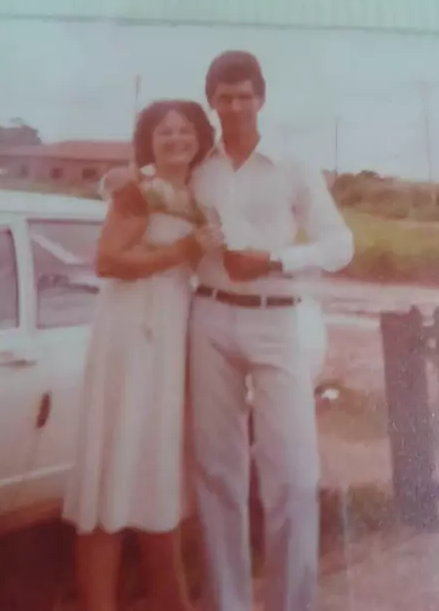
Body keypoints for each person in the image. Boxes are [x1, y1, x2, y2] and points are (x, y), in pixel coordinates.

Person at [189, 51, 354, 611]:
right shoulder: (200, 167)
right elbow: (146, 188)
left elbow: (340, 245)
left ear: (261, 98)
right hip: (210, 317)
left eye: (245, 95)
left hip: (277, 317)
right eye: (224, 96)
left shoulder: (292, 164)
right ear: (211, 100)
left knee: (294, 475)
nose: (235, 106)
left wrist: (276, 259)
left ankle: (290, 602)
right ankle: (227, 603)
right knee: (217, 473)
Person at [63, 99, 223, 611]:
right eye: (164, 132)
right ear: (149, 143)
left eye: (185, 130)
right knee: (112, 472)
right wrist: (182, 251)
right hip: (130, 334)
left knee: (157, 473)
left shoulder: (194, 195)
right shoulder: (139, 191)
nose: (176, 139)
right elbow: (107, 260)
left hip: (170, 334)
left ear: (200, 138)